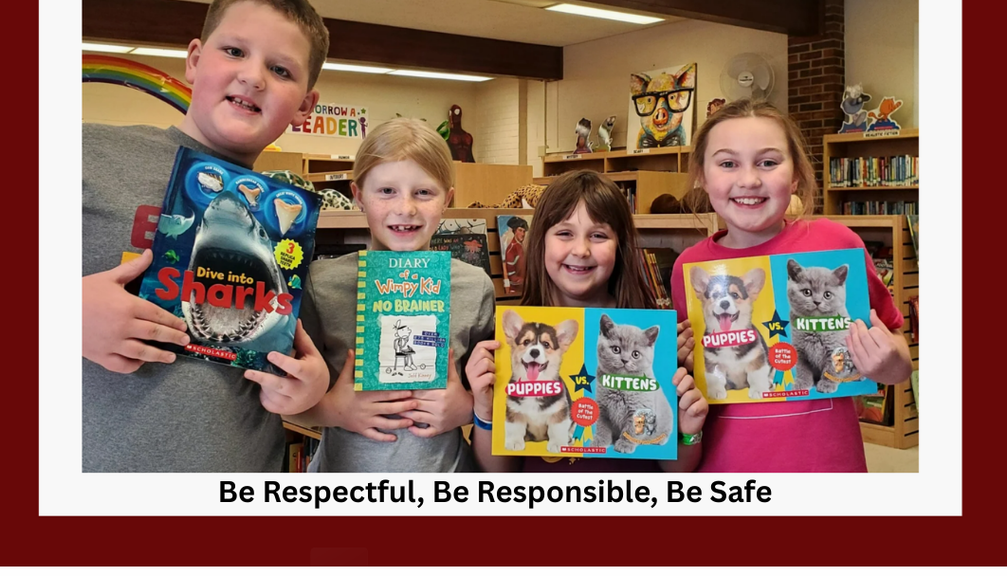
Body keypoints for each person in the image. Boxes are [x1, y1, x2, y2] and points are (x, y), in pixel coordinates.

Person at [81, 0, 333, 472]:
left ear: (305, 105)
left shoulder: (290, 222)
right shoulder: (87, 152)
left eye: (280, 69)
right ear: (195, 60)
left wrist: (308, 388)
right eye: (235, 50)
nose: (254, 77)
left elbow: (296, 361)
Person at [669, 98, 913, 472]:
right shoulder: (691, 268)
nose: (749, 179)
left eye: (768, 162)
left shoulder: (837, 244)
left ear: (795, 174)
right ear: (703, 175)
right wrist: (683, 361)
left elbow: (898, 360)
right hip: (728, 472)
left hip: (826, 468)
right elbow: (694, 380)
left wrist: (889, 360)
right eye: (728, 163)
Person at [466, 170, 708, 474]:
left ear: (620, 246)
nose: (580, 250)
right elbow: (497, 472)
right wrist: (484, 410)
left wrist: (688, 431)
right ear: (540, 241)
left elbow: (677, 471)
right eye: (565, 233)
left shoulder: (651, 341)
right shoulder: (513, 343)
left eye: (598, 235)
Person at [292, 117, 495, 472]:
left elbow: (490, 395)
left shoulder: (474, 286)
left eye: (423, 192)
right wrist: (334, 410)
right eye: (386, 191)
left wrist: (467, 407)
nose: (406, 208)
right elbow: (284, 399)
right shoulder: (322, 284)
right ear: (358, 197)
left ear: (447, 199)